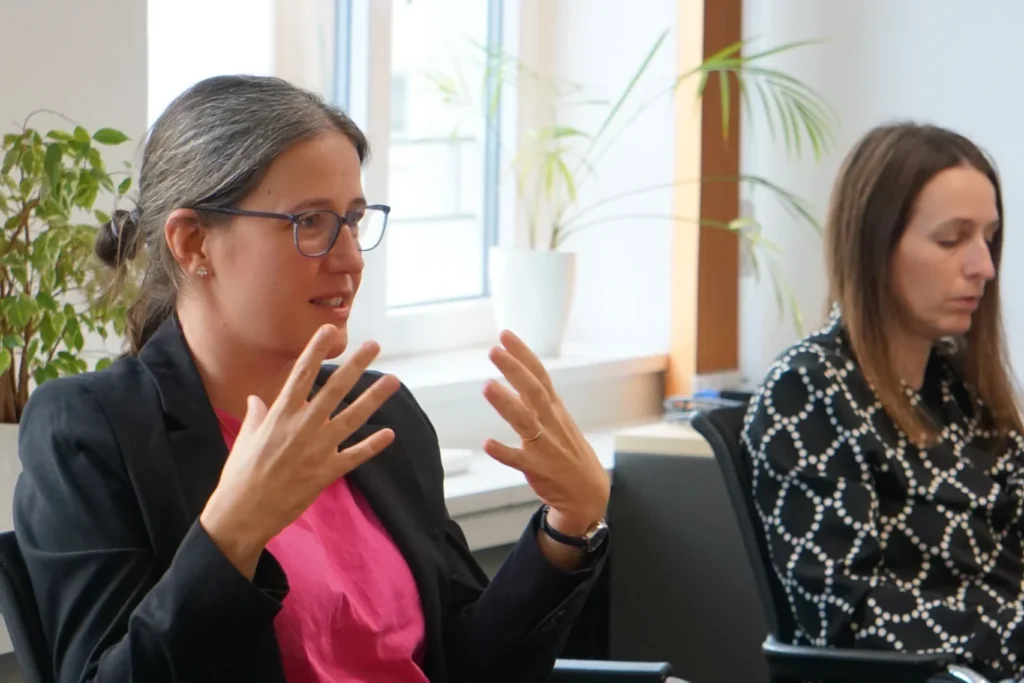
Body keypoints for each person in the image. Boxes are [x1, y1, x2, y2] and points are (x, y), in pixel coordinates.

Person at [13, 74, 612, 683]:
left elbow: (466, 668)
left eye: (353, 220)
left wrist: (567, 526)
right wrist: (233, 534)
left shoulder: (380, 414)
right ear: (193, 243)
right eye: (309, 223)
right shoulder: (91, 430)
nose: (349, 258)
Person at [742, 122, 1024, 682]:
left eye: (989, 239)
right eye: (952, 240)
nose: (984, 267)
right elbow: (847, 618)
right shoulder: (810, 391)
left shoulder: (960, 390)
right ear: (875, 247)